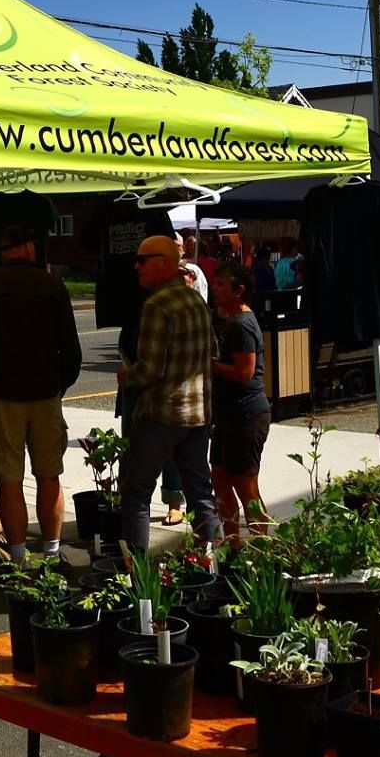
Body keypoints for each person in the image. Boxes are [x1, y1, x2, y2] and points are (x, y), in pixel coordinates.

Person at [0, 223, 82, 563]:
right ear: (29, 248)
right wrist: (59, 383)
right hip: (45, 392)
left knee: (9, 478)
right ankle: (53, 552)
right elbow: (72, 351)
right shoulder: (52, 285)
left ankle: (16, 557)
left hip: (4, 392)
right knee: (49, 473)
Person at [115, 236, 222, 556]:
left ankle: (135, 574)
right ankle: (215, 561)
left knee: (136, 493)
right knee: (200, 491)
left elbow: (150, 369)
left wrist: (126, 376)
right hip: (197, 412)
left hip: (161, 414)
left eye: (142, 260)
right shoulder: (196, 301)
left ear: (164, 262)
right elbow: (213, 352)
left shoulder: (157, 305)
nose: (136, 267)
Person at [208, 263, 271, 542]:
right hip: (225, 417)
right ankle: (233, 546)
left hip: (246, 415)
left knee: (246, 487)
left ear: (239, 290)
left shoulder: (242, 325)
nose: (215, 288)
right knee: (220, 480)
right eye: (215, 283)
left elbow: (245, 372)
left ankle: (261, 550)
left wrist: (209, 365)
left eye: (221, 284)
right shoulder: (227, 321)